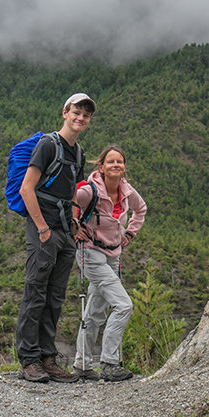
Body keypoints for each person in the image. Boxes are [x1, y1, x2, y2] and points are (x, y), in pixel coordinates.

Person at [16, 93, 96, 383]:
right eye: (76, 112)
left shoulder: (78, 152)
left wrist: (74, 220)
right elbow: (27, 188)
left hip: (64, 230)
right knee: (35, 292)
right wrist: (42, 229)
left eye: (86, 115)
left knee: (55, 297)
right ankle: (29, 360)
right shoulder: (48, 145)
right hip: (44, 229)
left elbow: (73, 188)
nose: (81, 118)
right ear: (64, 112)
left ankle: (48, 359)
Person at [72, 145, 147, 382]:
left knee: (95, 311)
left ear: (125, 167)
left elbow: (141, 210)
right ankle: (108, 363)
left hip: (113, 255)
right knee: (124, 305)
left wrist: (130, 234)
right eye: (111, 162)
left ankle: (82, 364)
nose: (116, 165)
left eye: (120, 162)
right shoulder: (89, 191)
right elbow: (68, 202)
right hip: (90, 253)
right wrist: (74, 227)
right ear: (101, 167)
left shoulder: (126, 191)